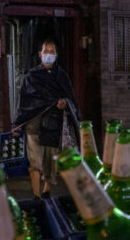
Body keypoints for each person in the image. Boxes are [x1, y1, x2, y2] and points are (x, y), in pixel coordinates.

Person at [12, 40, 81, 199]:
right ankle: (36, 195)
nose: (48, 54)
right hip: (34, 124)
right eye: (46, 51)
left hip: (53, 122)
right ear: (40, 54)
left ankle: (46, 190)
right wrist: (17, 123)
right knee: (35, 161)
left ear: (56, 55)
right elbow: (25, 101)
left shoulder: (61, 75)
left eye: (52, 51)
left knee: (50, 161)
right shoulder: (31, 76)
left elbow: (70, 97)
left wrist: (65, 104)